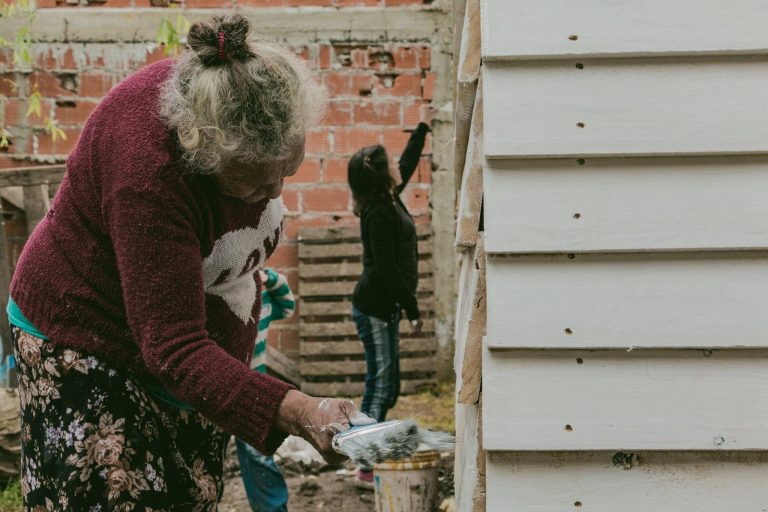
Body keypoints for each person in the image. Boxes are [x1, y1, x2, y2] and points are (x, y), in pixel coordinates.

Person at [8, 13, 372, 510]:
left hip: (179, 360)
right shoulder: (148, 177)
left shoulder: (237, 105)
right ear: (208, 156)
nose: (274, 192)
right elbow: (174, 345)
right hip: (83, 334)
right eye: (257, 182)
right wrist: (299, 410)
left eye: (286, 173)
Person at [346, 104, 435, 488]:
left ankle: (369, 456)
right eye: (390, 163)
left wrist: (423, 128)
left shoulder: (385, 196)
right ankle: (365, 466)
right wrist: (413, 308)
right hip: (376, 309)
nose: (398, 166)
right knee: (380, 386)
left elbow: (408, 162)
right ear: (383, 176)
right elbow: (385, 271)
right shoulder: (380, 213)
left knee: (389, 386)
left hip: (384, 308)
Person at [235, 268, 294, 512]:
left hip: (253, 389)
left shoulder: (265, 298)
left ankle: (272, 508)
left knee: (258, 454)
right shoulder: (222, 298)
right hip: (217, 387)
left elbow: (288, 306)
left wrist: (269, 278)